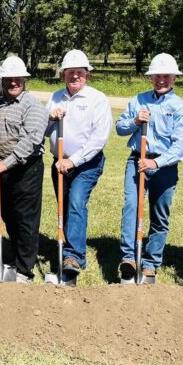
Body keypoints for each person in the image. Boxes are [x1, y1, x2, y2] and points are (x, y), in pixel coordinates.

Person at [116, 53, 183, 281]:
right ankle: (129, 257)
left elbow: (181, 147)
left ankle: (150, 262)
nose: (161, 80)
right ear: (151, 77)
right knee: (132, 205)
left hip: (164, 165)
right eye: (157, 75)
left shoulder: (181, 108)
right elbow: (120, 128)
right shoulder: (138, 100)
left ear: (174, 79)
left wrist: (156, 162)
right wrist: (135, 122)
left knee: (160, 214)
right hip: (137, 160)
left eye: (166, 76)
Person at [45, 50, 112, 277]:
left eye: (79, 73)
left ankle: (73, 256)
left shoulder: (97, 99)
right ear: (63, 74)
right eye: (70, 72)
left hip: (86, 164)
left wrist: (72, 161)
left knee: (75, 203)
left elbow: (99, 138)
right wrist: (50, 119)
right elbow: (42, 131)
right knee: (64, 207)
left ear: (87, 75)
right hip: (59, 163)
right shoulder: (55, 97)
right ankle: (66, 250)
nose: (75, 76)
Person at [0, 56, 47, 283]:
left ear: (24, 80)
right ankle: (16, 255)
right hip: (4, 168)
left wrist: (5, 164)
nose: (13, 83)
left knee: (25, 218)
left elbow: (31, 141)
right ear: (3, 81)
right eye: (8, 79)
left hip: (26, 168)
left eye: (17, 79)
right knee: (8, 215)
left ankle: (24, 270)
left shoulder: (33, 106)